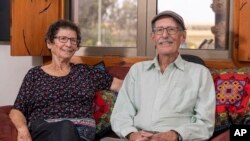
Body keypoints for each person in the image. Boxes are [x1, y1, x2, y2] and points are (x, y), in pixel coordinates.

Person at [9, 19, 122, 141]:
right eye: (63, 39)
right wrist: (22, 129)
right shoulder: (35, 75)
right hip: (44, 130)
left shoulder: (87, 72)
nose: (68, 44)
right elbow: (17, 110)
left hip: (83, 133)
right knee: (65, 126)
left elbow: (124, 86)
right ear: (49, 43)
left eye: (73, 40)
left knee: (67, 128)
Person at [110, 10, 216, 141]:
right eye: (159, 30)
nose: (165, 35)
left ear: (183, 36)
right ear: (153, 37)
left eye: (171, 29)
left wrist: (173, 135)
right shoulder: (137, 71)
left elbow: (205, 124)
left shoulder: (200, 73)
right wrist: (132, 135)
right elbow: (120, 114)